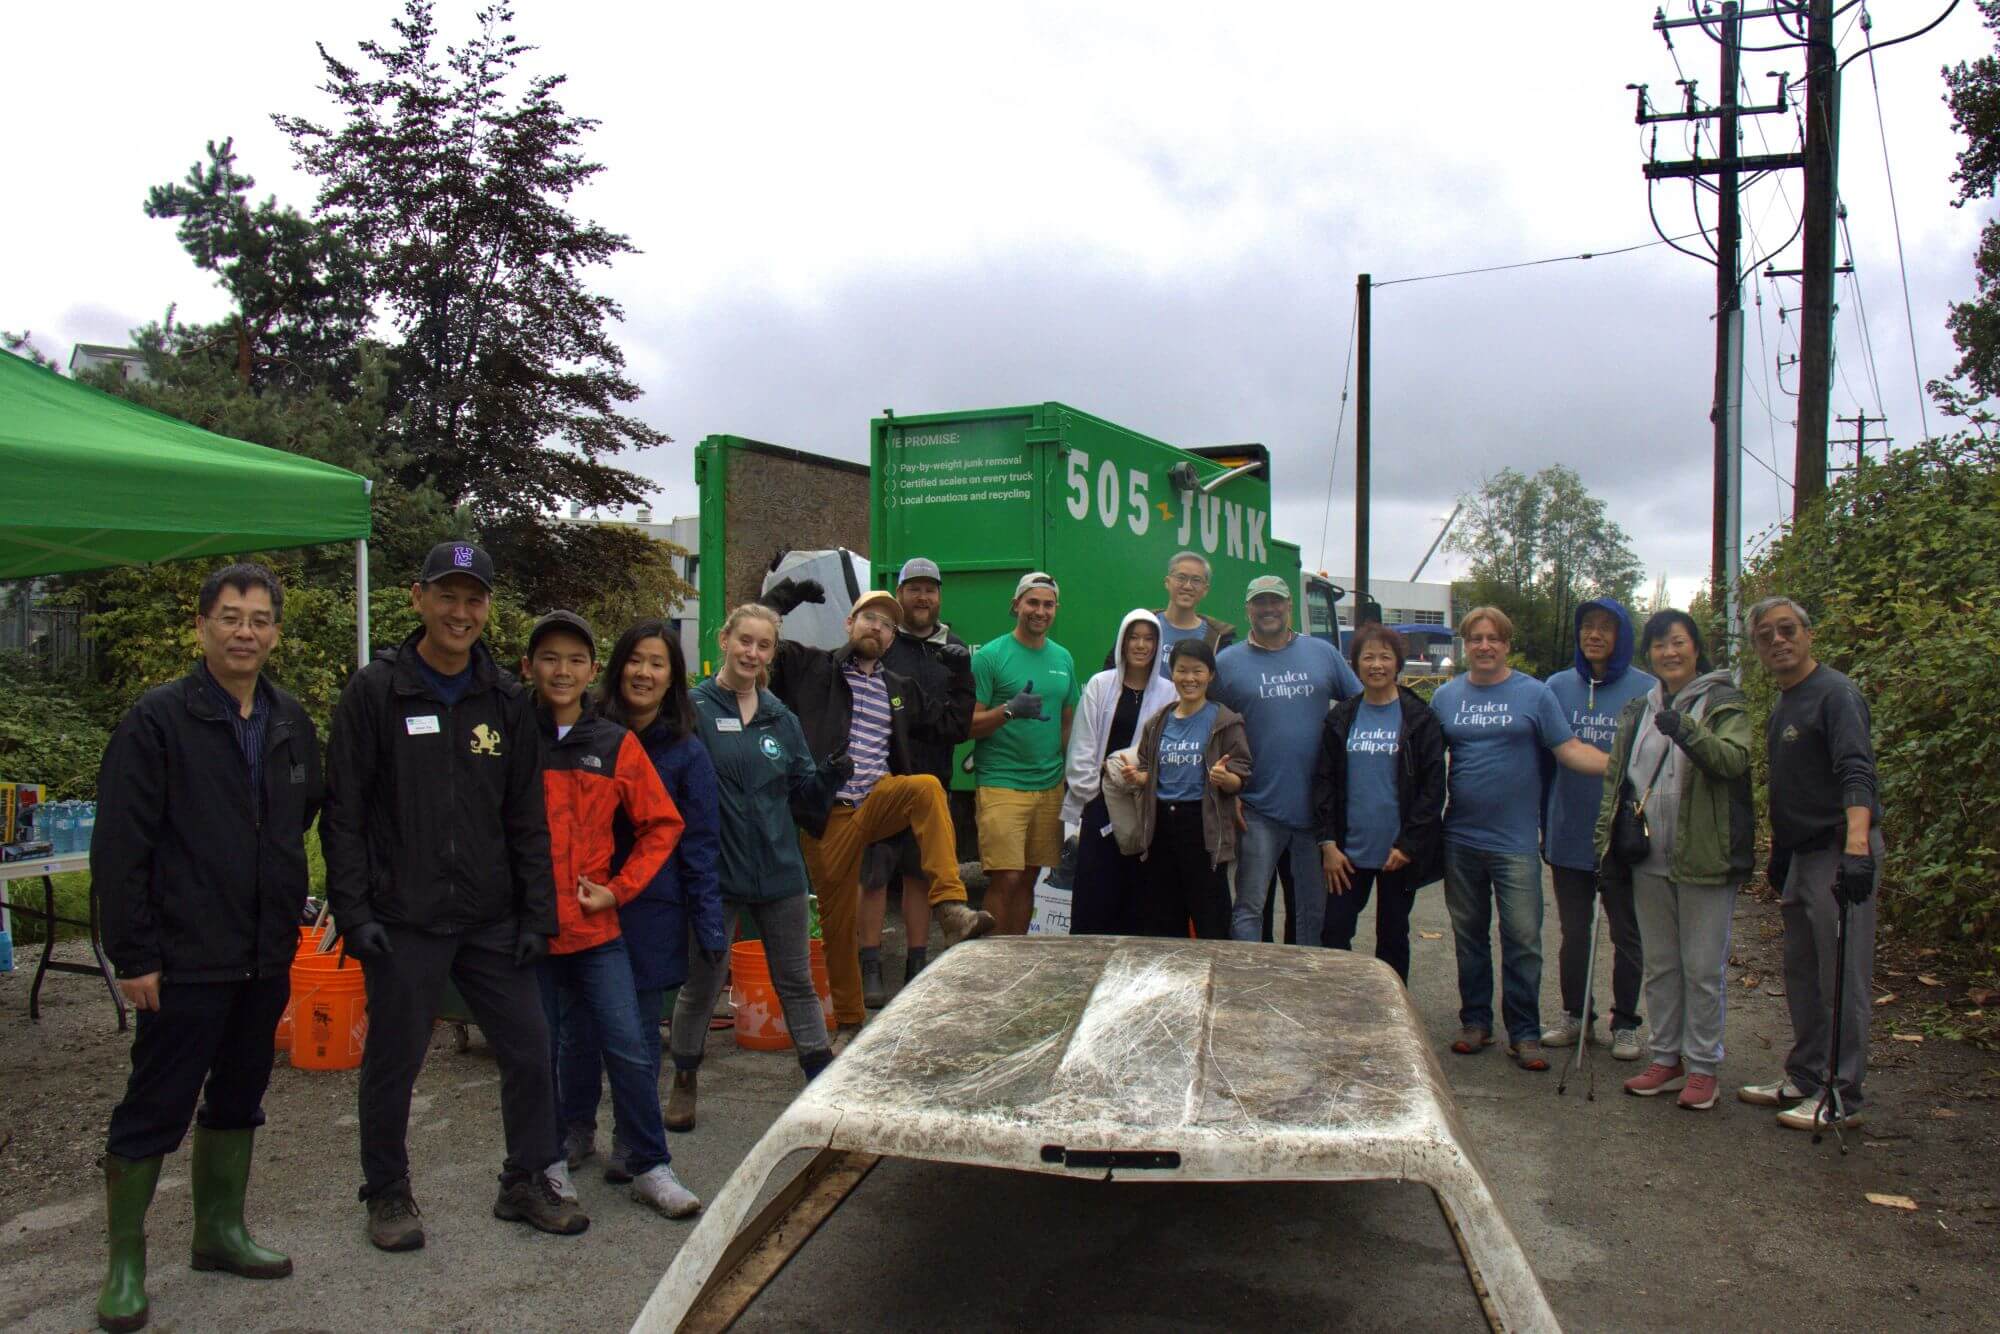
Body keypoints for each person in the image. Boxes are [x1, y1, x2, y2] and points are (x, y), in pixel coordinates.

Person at [323, 541, 583, 1251]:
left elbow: (526, 818)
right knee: (394, 1062)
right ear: (418, 598)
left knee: (530, 1050)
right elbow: (343, 814)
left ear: (487, 609)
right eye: (447, 596)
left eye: (473, 599)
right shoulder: (376, 693)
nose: (459, 612)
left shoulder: (502, 700)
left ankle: (526, 1180)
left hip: (491, 919)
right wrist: (354, 913)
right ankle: (387, 1193)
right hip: (404, 918)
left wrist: (538, 914)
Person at [92, 563, 319, 1333]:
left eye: (259, 618)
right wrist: (134, 955)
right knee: (155, 1105)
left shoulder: (289, 719)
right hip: (185, 955)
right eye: (230, 617)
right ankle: (126, 1265)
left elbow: (298, 824)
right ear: (201, 626)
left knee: (238, 1097)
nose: (245, 631)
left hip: (263, 951)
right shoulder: (156, 720)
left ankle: (219, 1232)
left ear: (276, 632)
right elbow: (121, 847)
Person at [518, 611, 700, 1217]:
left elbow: (663, 824)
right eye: (549, 658)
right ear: (528, 667)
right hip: (530, 933)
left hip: (598, 931)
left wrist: (618, 890)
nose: (561, 670)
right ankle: (546, 1165)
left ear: (592, 670)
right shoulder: (511, 738)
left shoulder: (614, 743)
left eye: (575, 659)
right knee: (537, 1050)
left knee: (628, 1043)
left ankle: (651, 1164)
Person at [757, 579, 995, 1030]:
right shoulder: (812, 668)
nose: (879, 629)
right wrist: (787, 594)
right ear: (850, 624)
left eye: (888, 625)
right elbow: (758, 634)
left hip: (879, 800)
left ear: (892, 640)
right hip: (828, 812)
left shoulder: (897, 687)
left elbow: (952, 725)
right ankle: (848, 1025)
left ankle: (950, 908)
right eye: (870, 618)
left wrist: (963, 676)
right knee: (838, 927)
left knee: (926, 786)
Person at [665, 604, 846, 1131]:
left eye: (763, 646)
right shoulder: (692, 708)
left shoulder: (780, 718)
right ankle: (685, 1077)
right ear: (724, 639)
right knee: (703, 982)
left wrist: (832, 776)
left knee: (795, 979)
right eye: (744, 640)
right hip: (715, 872)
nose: (752, 653)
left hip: (779, 869)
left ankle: (818, 1076)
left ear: (771, 653)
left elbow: (804, 795)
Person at [1429, 606, 1608, 1072]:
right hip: (1460, 838)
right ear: (1465, 646)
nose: (1484, 646)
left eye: (1493, 638)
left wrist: (1624, 765)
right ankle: (1476, 1023)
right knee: (1469, 937)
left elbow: (1569, 750)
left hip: (1515, 843)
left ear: (1507, 644)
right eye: (1475, 638)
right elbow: (1424, 765)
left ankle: (1525, 1032)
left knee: (1524, 939)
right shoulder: (1445, 698)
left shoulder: (1534, 694)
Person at [568, 621, 724, 1143]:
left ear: (672, 678)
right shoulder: (585, 734)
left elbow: (699, 843)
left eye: (657, 663)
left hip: (653, 909)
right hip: (585, 904)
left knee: (635, 1035)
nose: (644, 672)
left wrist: (708, 927)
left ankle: (631, 1140)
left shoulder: (687, 751)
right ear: (617, 669)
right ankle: (576, 1128)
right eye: (636, 660)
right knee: (581, 1029)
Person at [1591, 611, 1753, 1111]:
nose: (1669, 653)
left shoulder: (1724, 702)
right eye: (1659, 646)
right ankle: (1666, 1058)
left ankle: (1703, 1066)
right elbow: (1618, 781)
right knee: (1661, 965)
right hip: (1647, 857)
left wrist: (1685, 728)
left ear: (1696, 647)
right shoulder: (1639, 708)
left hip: (1705, 856)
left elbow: (1732, 761)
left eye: (1678, 643)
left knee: (1701, 967)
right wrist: (1603, 845)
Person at [1738, 596, 1882, 1131]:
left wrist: (1858, 850)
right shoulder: (1785, 702)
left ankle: (1843, 1094)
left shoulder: (1836, 694)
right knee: (1802, 970)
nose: (1777, 641)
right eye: (1765, 635)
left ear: (1808, 633)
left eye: (1786, 629)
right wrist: (1780, 853)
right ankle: (1805, 1074)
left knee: (1842, 975)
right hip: (1801, 854)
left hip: (1839, 851)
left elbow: (1856, 772)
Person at [1212, 574, 1362, 947]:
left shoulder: (1323, 654)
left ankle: (1303, 989)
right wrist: (1229, 790)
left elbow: (1362, 707)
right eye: (1260, 602)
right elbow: (1207, 726)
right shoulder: (1227, 664)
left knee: (1311, 912)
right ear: (1248, 609)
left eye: (1275, 601)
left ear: (1288, 605)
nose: (1268, 609)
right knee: (1249, 908)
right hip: (1257, 810)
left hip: (1315, 814)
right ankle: (1249, 985)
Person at [1540, 599, 1654, 1060]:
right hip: (1568, 831)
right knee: (1574, 931)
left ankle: (1625, 1022)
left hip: (1622, 834)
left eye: (1606, 628)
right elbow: (1545, 759)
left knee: (1626, 932)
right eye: (1588, 627)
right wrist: (1543, 819)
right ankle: (1575, 1016)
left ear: (1621, 635)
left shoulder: (1647, 689)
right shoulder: (1555, 687)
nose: (1595, 635)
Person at [1310, 623, 1445, 983]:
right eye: (1367, 657)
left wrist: (1409, 845)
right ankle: (1338, 1004)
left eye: (1385, 656)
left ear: (1397, 663)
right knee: (1335, 932)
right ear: (1355, 665)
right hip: (1347, 854)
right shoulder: (1341, 718)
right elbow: (1323, 783)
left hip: (1396, 855)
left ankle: (1393, 1011)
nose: (1376, 664)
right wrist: (1328, 843)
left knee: (1393, 938)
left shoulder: (1419, 719)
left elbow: (1433, 789)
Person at [868, 557, 977, 1001]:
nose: (922, 597)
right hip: (881, 778)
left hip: (934, 778)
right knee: (873, 876)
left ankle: (917, 961)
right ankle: (870, 962)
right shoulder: (884, 643)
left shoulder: (956, 650)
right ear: (900, 595)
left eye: (930, 589)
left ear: (939, 597)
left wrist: (962, 675)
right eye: (913, 588)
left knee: (919, 875)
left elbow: (958, 726)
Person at [969, 572, 1080, 934]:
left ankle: (1014, 956)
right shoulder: (990, 656)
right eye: (1032, 602)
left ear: (1057, 609)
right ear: (1016, 604)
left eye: (1048, 604)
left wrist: (1071, 776)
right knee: (1007, 876)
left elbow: (1067, 724)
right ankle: (990, 959)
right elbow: (968, 724)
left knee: (1031, 877)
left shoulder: (1063, 658)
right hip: (1001, 781)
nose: (1040, 611)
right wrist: (1009, 711)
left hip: (1049, 785)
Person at [1126, 640, 1252, 938]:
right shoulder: (1158, 722)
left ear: (1210, 675)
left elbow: (1241, 776)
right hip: (1161, 827)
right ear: (1173, 674)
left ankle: (1215, 979)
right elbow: (1147, 766)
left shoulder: (1225, 721)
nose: (1189, 678)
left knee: (1211, 916)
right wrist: (1141, 778)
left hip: (1203, 827)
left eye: (1198, 670)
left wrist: (1225, 779)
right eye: (1182, 670)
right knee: (1164, 916)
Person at [1064, 610, 1176, 934]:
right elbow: (1083, 743)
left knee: (1138, 892)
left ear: (1157, 645)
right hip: (1101, 803)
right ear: (1123, 642)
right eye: (1134, 637)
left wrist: (1146, 784)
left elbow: (1168, 747)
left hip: (1143, 803)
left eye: (1149, 638)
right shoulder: (1101, 685)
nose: (1141, 645)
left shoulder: (1169, 692)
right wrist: (1091, 793)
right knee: (1097, 890)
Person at [1102, 551, 1237, 674]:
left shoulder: (1216, 638)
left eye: (1196, 580)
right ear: (1167, 582)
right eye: (1181, 577)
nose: (1187, 586)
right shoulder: (1142, 622)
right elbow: (1112, 671)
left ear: (1205, 589)